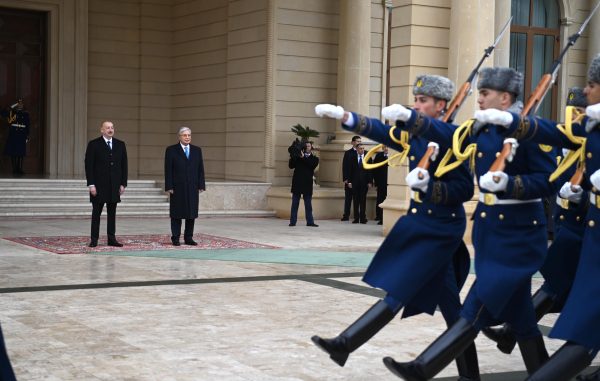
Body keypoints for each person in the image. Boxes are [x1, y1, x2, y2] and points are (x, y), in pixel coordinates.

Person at [381, 67, 558, 379]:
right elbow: (446, 134)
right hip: (490, 231)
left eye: (486, 94)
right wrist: (410, 120)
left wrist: (509, 183)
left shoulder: (533, 131)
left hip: (519, 235)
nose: (479, 100)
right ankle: (546, 374)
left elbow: (548, 180)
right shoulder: (482, 130)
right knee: (523, 318)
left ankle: (424, 367)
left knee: (474, 307)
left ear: (505, 98)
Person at [312, 74, 479, 381]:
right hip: (422, 225)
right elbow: (382, 131)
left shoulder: (453, 137)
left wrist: (431, 186)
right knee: (452, 307)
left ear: (441, 106)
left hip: (442, 228)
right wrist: (346, 117)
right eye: (415, 100)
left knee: (401, 288)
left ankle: (346, 344)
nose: (416, 105)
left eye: (422, 101)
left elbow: (465, 189)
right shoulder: (415, 136)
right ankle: (470, 375)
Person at [504, 54, 600, 381]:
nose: (585, 93)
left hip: (584, 230)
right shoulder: (590, 127)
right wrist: (516, 123)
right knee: (580, 318)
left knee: (584, 323)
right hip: (581, 229)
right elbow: (556, 135)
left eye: (591, 85)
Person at [481, 87, 589, 355]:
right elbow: (548, 174)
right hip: (571, 228)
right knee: (555, 282)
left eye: (581, 112)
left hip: (589, 229)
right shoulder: (563, 138)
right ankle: (511, 334)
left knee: (587, 298)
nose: (575, 117)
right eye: (572, 112)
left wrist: (584, 198)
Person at [84, 120, 128, 248]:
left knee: (112, 213)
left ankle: (111, 238)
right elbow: (89, 166)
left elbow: (124, 165)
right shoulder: (94, 144)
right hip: (98, 186)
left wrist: (123, 184)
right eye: (107, 128)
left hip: (114, 185)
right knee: (96, 213)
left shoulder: (120, 144)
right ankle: (94, 239)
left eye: (112, 127)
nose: (110, 130)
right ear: (102, 130)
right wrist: (91, 184)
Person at [164, 127, 206, 246]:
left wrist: (201, 184)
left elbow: (200, 169)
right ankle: (175, 238)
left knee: (191, 213)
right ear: (179, 137)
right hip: (177, 187)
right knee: (177, 214)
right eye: (185, 135)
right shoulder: (171, 150)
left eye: (189, 135)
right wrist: (169, 186)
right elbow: (168, 170)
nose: (187, 137)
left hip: (192, 187)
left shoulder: (197, 150)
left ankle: (189, 237)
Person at [289, 140, 319, 227]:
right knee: (295, 203)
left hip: (307, 184)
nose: (307, 148)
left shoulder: (315, 158)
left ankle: (310, 222)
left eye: (308, 146)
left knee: (308, 205)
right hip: (297, 182)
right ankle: (292, 222)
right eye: (305, 146)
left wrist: (303, 158)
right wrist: (293, 156)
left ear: (311, 148)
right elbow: (291, 166)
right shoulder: (297, 157)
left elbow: (311, 165)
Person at [2, 98, 30, 175]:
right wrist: (13, 106)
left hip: (22, 134)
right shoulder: (12, 112)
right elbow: (3, 113)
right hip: (14, 134)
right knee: (13, 152)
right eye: (18, 103)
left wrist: (27, 135)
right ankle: (14, 169)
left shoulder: (26, 113)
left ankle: (20, 169)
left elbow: (27, 125)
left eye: (21, 103)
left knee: (21, 153)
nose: (20, 105)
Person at [348, 143, 372, 223]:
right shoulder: (352, 158)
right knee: (355, 200)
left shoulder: (368, 157)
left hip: (364, 183)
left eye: (363, 148)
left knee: (363, 200)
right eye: (360, 148)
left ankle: (362, 218)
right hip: (355, 183)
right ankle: (356, 218)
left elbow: (370, 171)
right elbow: (350, 171)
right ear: (357, 149)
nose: (362, 150)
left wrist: (370, 181)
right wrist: (349, 182)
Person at [341, 135, 361, 221]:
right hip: (349, 179)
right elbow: (344, 166)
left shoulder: (363, 152)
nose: (359, 143)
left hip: (359, 181)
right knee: (348, 199)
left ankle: (358, 216)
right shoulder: (348, 153)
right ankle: (346, 216)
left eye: (360, 141)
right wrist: (346, 179)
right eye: (357, 141)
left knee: (358, 199)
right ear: (352, 142)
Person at [369, 145, 388, 225]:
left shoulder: (395, 155)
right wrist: (376, 182)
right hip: (381, 182)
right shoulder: (379, 155)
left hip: (392, 184)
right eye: (385, 147)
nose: (386, 148)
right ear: (382, 148)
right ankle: (379, 217)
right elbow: (375, 170)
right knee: (380, 199)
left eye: (388, 147)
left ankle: (386, 218)